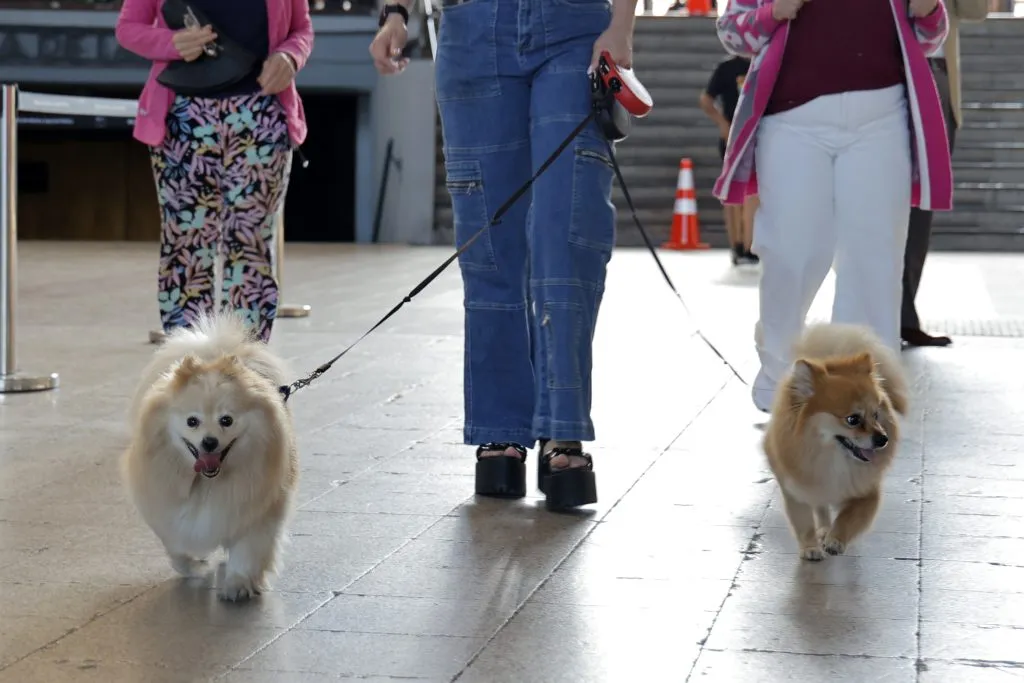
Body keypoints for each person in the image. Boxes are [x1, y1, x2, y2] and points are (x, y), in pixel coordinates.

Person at [370, 0, 637, 510]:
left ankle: (562, 427)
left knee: (567, 233)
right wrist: (396, 13)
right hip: (471, 30)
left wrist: (622, 25)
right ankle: (500, 427)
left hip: (574, 27)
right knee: (488, 245)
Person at [713, 0, 954, 412]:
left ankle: (864, 390)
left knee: (874, 258)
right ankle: (780, 377)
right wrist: (774, 11)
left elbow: (930, 38)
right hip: (791, 122)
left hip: (882, 118)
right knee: (790, 252)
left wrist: (928, 8)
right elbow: (733, 32)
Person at [115, 0, 313, 343]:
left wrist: (290, 56)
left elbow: (301, 30)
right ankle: (189, 361)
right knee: (186, 245)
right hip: (183, 118)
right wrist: (171, 43)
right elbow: (128, 28)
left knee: (250, 243)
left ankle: (243, 360)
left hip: (260, 115)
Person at [901, 0, 988, 348]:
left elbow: (976, 11)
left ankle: (905, 315)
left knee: (921, 209)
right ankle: (878, 310)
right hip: (889, 75)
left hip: (937, 76)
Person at [699, 54, 758, 265]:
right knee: (734, 192)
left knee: (754, 192)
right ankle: (738, 244)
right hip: (733, 137)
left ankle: (750, 244)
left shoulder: (762, 61)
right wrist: (722, 123)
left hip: (757, 134)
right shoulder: (727, 68)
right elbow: (706, 99)